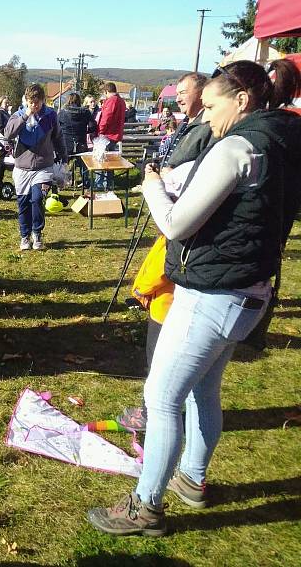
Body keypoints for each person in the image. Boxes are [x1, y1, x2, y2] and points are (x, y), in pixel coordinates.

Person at [88, 59, 301, 537]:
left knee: (162, 397)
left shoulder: (238, 147)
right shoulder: (284, 141)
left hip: (213, 293)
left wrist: (153, 189)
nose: (204, 117)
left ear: (241, 100)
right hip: (250, 290)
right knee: (205, 389)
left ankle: (145, 506)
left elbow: (178, 224)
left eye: (210, 106)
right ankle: (193, 477)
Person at [116, 72, 214, 433]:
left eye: (185, 94)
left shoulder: (208, 133)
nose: (179, 100)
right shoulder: (193, 126)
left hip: (183, 248)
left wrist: (161, 182)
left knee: (163, 347)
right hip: (176, 236)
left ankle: (154, 413)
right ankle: (160, 408)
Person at [4, 84, 67, 251]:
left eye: (37, 103)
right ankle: (24, 236)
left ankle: (36, 232)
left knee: (37, 198)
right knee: (23, 203)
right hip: (22, 167)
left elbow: (58, 138)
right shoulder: (17, 115)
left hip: (43, 166)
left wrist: (64, 158)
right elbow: (8, 134)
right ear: (27, 101)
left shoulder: (50, 116)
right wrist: (25, 115)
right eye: (31, 103)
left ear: (43, 100)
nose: (35, 106)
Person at [58, 92, 98, 189]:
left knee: (63, 164)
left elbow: (57, 127)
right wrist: (85, 131)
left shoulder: (62, 112)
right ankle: (85, 182)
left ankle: (61, 183)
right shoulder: (85, 112)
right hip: (81, 141)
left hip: (66, 143)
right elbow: (93, 126)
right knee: (84, 164)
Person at [95, 82, 126, 191]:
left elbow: (106, 118)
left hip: (107, 135)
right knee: (110, 161)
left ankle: (100, 184)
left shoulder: (112, 101)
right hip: (116, 134)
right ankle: (109, 183)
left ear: (106, 91)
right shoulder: (121, 101)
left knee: (101, 160)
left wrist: (100, 131)